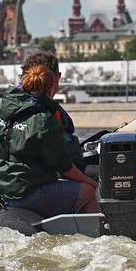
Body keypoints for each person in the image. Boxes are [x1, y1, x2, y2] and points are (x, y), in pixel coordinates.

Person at [0, 64, 100, 217]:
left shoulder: (2, 115)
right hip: (31, 192)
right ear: (50, 89)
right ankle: (100, 233)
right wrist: (89, 182)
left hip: (6, 192)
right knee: (90, 191)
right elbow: (63, 165)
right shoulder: (44, 120)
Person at [20, 51, 98, 179]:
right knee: (111, 172)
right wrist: (88, 182)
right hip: (49, 174)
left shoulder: (11, 105)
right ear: (52, 79)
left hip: (16, 177)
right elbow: (61, 162)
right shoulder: (45, 113)